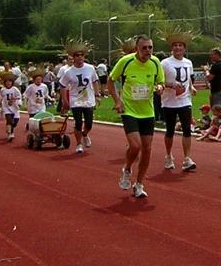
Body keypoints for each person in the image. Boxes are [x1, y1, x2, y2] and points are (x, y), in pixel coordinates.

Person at [109, 35, 165, 198]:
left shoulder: (155, 63)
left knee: (147, 148)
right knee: (135, 146)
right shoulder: (125, 62)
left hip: (147, 111)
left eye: (150, 47)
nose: (148, 51)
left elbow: (160, 81)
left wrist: (160, 87)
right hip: (129, 110)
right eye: (144, 48)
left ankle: (139, 184)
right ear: (137, 49)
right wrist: (117, 101)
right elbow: (111, 81)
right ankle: (127, 168)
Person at [160, 28, 197, 172]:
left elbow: (189, 79)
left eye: (180, 45)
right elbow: (159, 81)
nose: (178, 48)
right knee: (170, 130)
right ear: (171, 48)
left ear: (184, 48)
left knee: (187, 129)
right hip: (169, 101)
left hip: (185, 101)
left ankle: (187, 158)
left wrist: (191, 88)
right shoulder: (165, 63)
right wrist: (171, 85)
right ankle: (168, 155)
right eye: (175, 45)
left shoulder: (188, 62)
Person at [59, 39, 101, 154]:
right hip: (76, 100)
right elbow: (62, 85)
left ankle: (85, 134)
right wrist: (65, 100)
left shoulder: (90, 68)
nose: (80, 57)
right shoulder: (68, 72)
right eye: (77, 55)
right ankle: (78, 144)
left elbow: (95, 81)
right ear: (73, 58)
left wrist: (97, 95)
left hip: (88, 100)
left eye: (82, 55)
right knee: (78, 122)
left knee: (89, 123)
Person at [0, 72, 21, 142]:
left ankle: (10, 129)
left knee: (15, 122)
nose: (8, 83)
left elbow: (19, 97)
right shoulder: (3, 90)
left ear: (12, 82)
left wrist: (16, 100)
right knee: (9, 120)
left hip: (15, 107)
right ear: (5, 83)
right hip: (6, 107)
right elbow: (1, 98)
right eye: (7, 82)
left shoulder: (15, 89)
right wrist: (1, 107)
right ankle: (10, 133)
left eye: (10, 82)